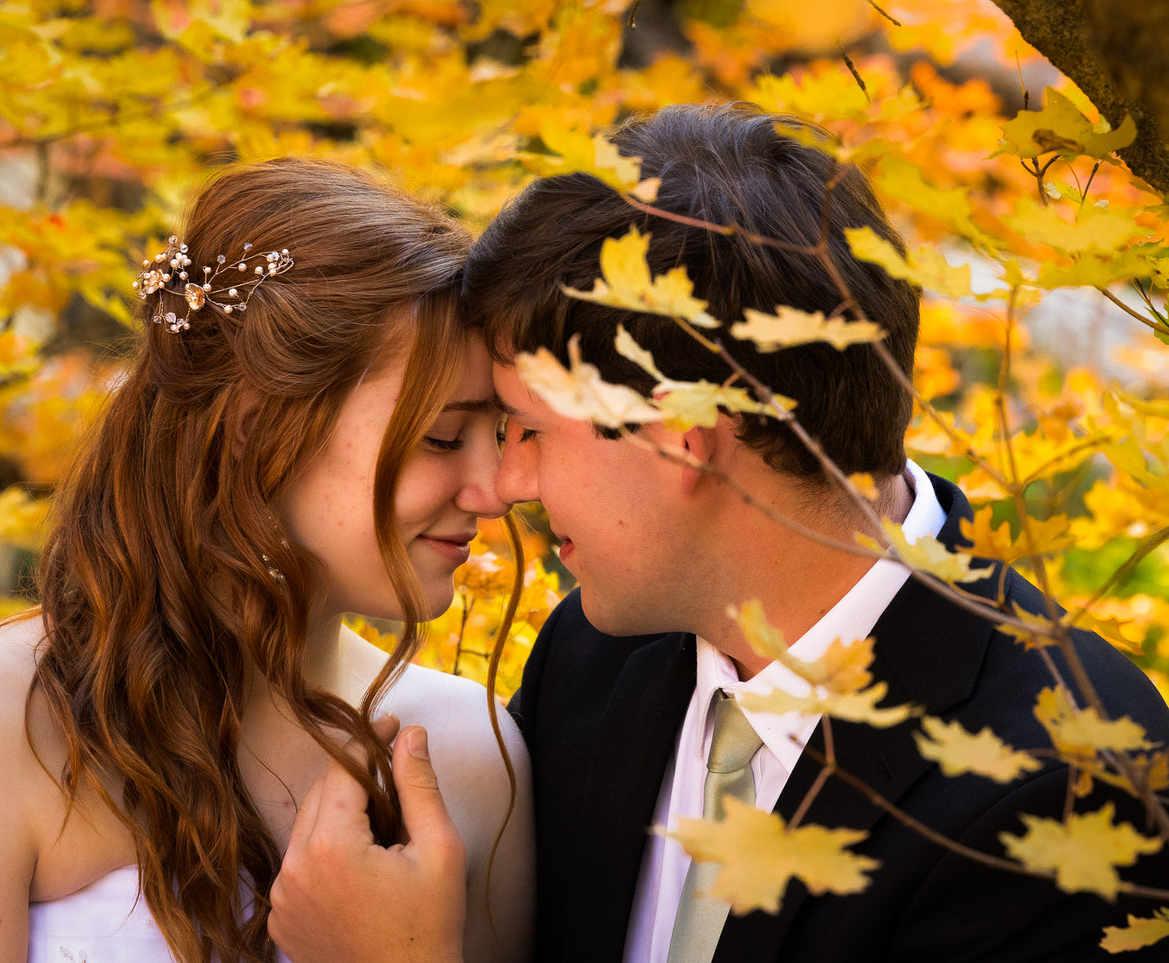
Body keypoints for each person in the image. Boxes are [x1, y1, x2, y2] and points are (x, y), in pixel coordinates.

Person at [267, 103, 1169, 962]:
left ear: (680, 440)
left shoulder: (1069, 787)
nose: (505, 485)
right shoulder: (590, 660)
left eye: (526, 429)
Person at [0, 158, 534, 963]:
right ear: (256, 426)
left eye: (506, 433)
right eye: (442, 437)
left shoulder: (470, 752)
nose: (497, 488)